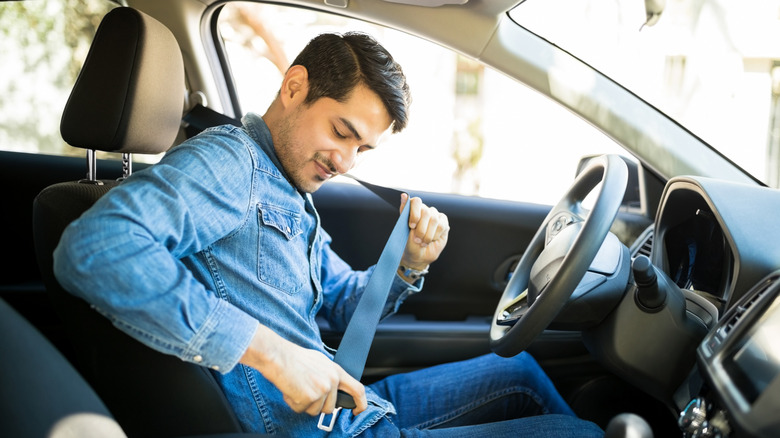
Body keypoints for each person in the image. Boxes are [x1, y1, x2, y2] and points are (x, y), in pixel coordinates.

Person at [54, 32, 603, 437]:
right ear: (294, 86)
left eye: (362, 149)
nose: (344, 162)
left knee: (524, 373)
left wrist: (409, 263)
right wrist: (271, 354)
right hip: (318, 429)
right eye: (342, 132)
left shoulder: (286, 186)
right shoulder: (229, 163)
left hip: (346, 408)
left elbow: (342, 304)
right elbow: (95, 249)